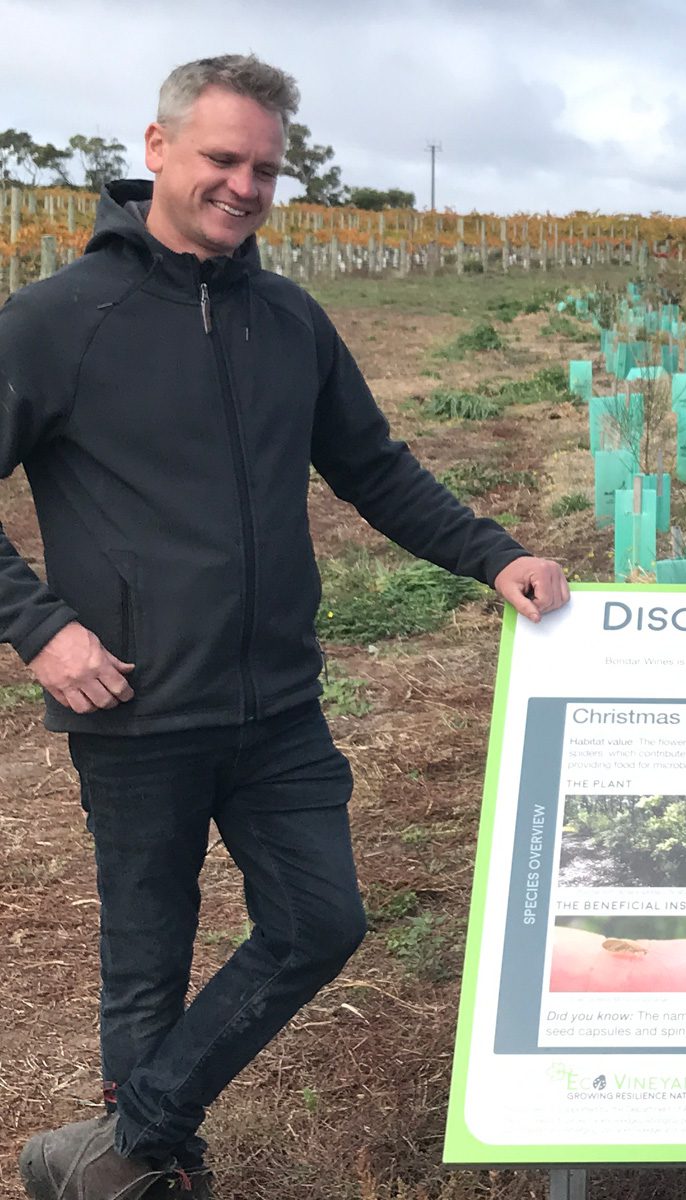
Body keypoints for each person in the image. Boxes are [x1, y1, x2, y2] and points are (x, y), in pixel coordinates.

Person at [1, 55, 569, 1200]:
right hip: (135, 706)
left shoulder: (291, 320)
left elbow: (374, 467)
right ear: (157, 149)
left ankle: (121, 1145)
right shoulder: (58, 321)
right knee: (146, 967)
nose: (245, 185)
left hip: (278, 709)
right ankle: (156, 1176)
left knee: (321, 921)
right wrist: (40, 628)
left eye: (266, 168)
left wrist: (492, 552)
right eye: (223, 158)